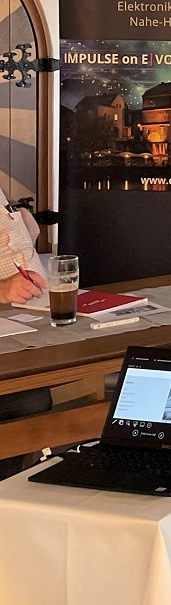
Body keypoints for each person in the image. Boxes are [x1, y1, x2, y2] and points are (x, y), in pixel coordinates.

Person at [0, 201, 51, 479]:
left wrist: (20, 221)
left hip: (22, 322)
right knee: (25, 398)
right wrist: (2, 289)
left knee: (29, 393)